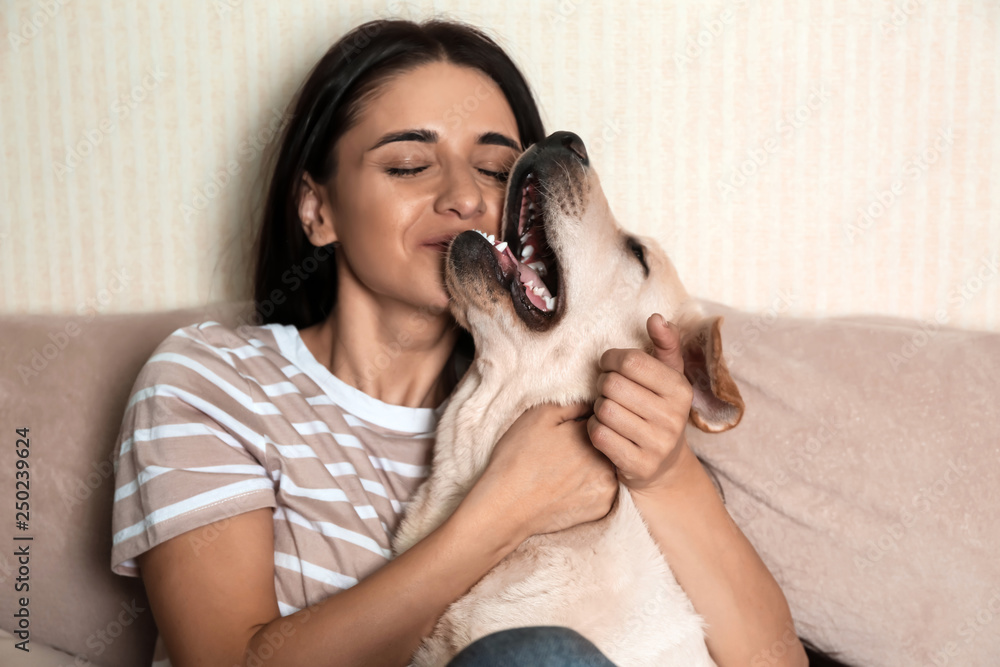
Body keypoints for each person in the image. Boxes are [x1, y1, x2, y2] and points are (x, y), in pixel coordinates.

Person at [109, 18, 807, 667]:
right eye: (410, 164)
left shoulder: (567, 401)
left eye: (498, 171)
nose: (467, 197)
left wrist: (667, 471)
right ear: (317, 209)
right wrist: (504, 510)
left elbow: (775, 659)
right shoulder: (209, 380)